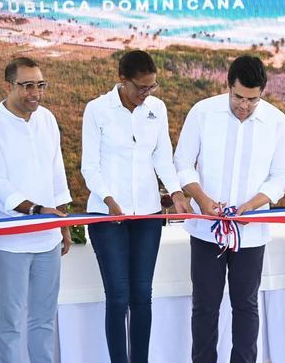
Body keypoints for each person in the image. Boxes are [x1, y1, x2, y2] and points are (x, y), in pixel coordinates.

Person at [174, 55, 285, 363]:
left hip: (251, 234)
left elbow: (281, 175)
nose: (244, 105)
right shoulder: (203, 112)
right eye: (239, 96)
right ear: (228, 85)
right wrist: (202, 199)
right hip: (205, 229)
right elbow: (183, 162)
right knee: (205, 306)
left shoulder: (277, 122)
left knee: (246, 305)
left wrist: (252, 206)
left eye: (253, 99)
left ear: (262, 92)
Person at [81, 50, 191, 363]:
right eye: (140, 88)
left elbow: (162, 157)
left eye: (151, 87)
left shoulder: (157, 108)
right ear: (122, 80)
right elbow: (89, 167)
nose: (146, 94)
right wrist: (109, 200)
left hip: (147, 215)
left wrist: (177, 192)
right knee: (118, 298)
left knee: (142, 296)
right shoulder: (98, 110)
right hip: (107, 217)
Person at [0, 57, 72, 363]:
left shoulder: (48, 119)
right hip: (9, 242)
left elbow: (57, 173)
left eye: (40, 85)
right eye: (27, 85)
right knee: (10, 324)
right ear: (8, 86)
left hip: (48, 242)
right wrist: (39, 210)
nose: (35, 93)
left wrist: (62, 225)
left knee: (43, 320)